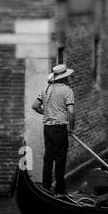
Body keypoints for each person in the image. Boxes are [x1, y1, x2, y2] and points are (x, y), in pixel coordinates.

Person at [31, 64, 76, 194]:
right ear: (64, 78)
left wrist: (46, 114)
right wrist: (71, 128)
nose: (68, 79)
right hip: (59, 128)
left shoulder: (46, 88)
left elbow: (35, 106)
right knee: (60, 159)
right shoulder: (67, 90)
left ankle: (46, 187)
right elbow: (71, 112)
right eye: (67, 77)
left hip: (47, 128)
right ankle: (60, 190)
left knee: (48, 158)